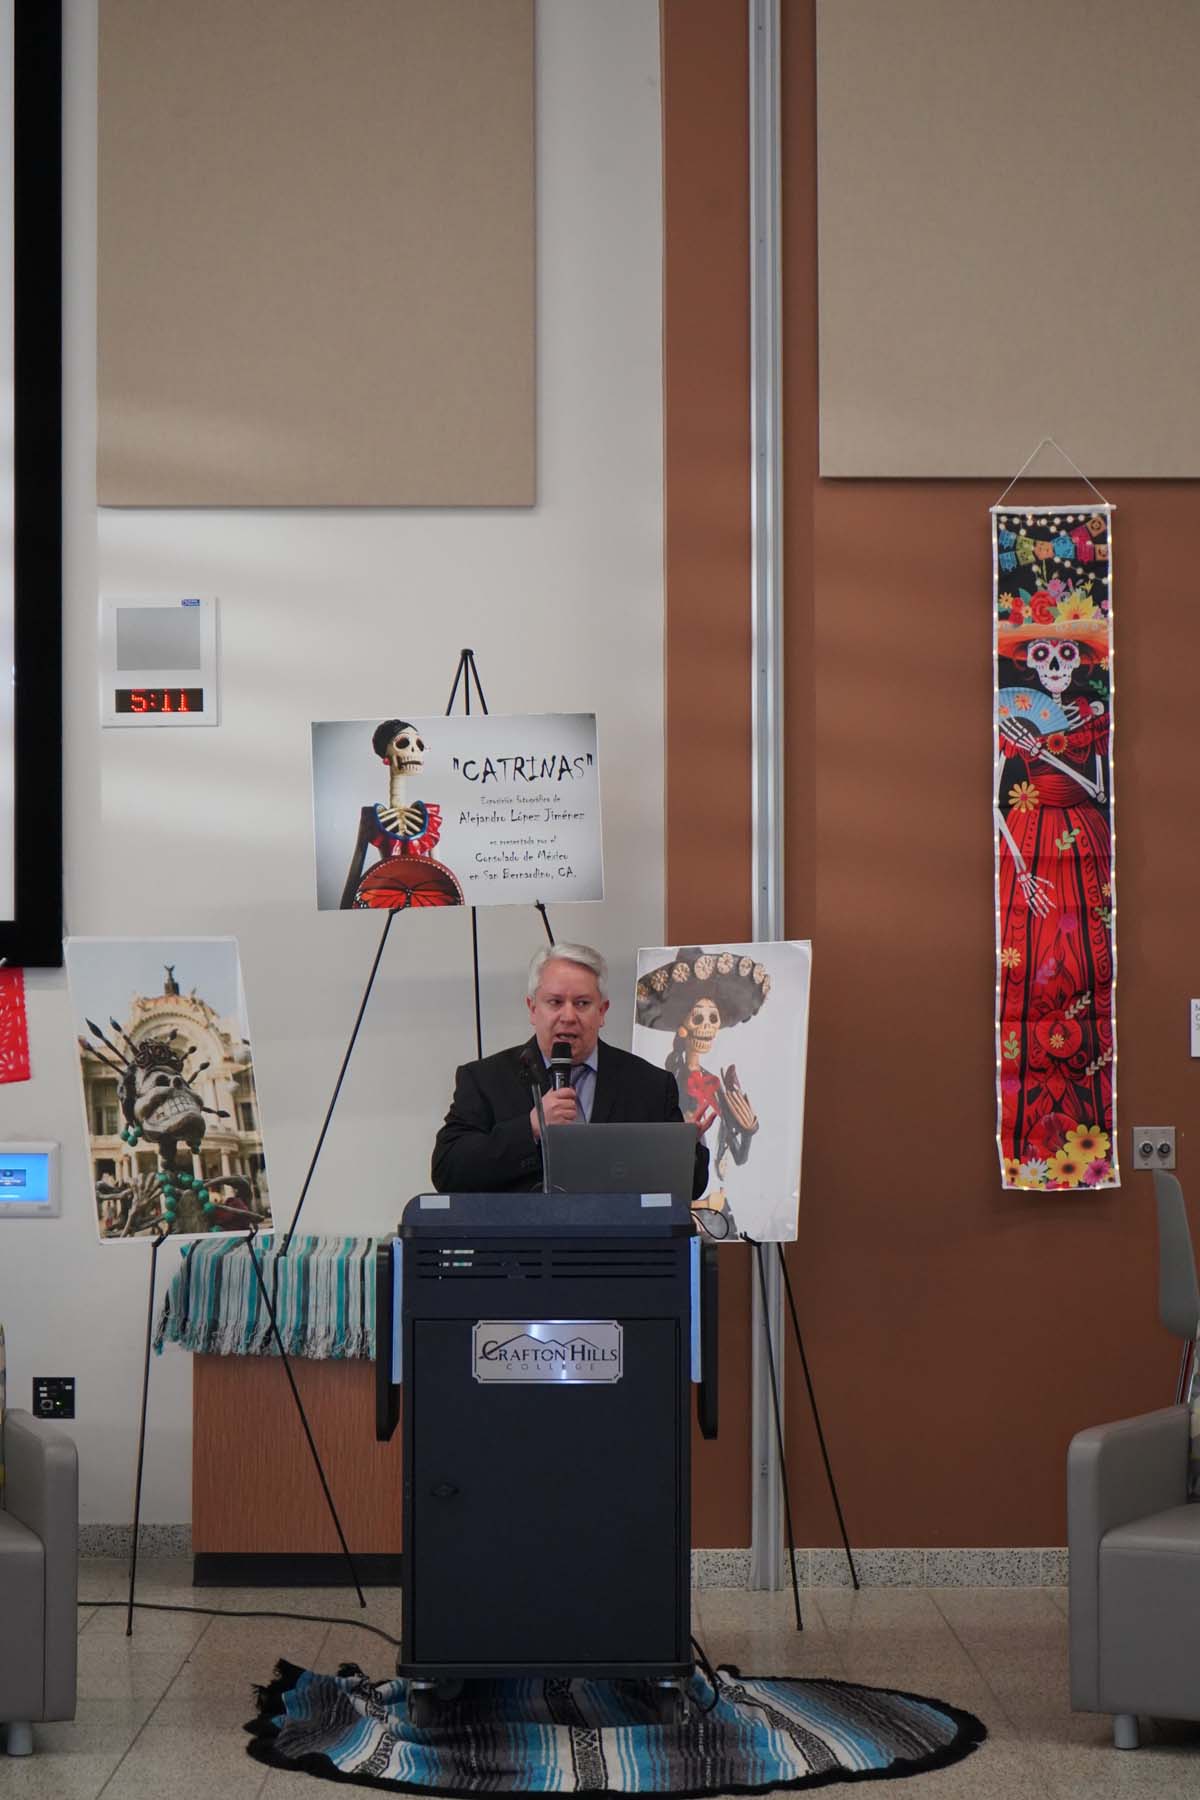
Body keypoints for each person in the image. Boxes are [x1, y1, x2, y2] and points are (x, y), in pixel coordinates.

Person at [431, 942, 709, 1197]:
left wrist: (685, 1149)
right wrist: (531, 1128)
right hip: (520, 1247)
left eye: (582, 1004)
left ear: (602, 1012)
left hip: (615, 1247)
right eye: (554, 1002)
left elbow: (691, 1188)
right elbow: (448, 1172)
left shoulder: (649, 1085)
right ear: (532, 1009)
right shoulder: (485, 1080)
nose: (568, 1016)